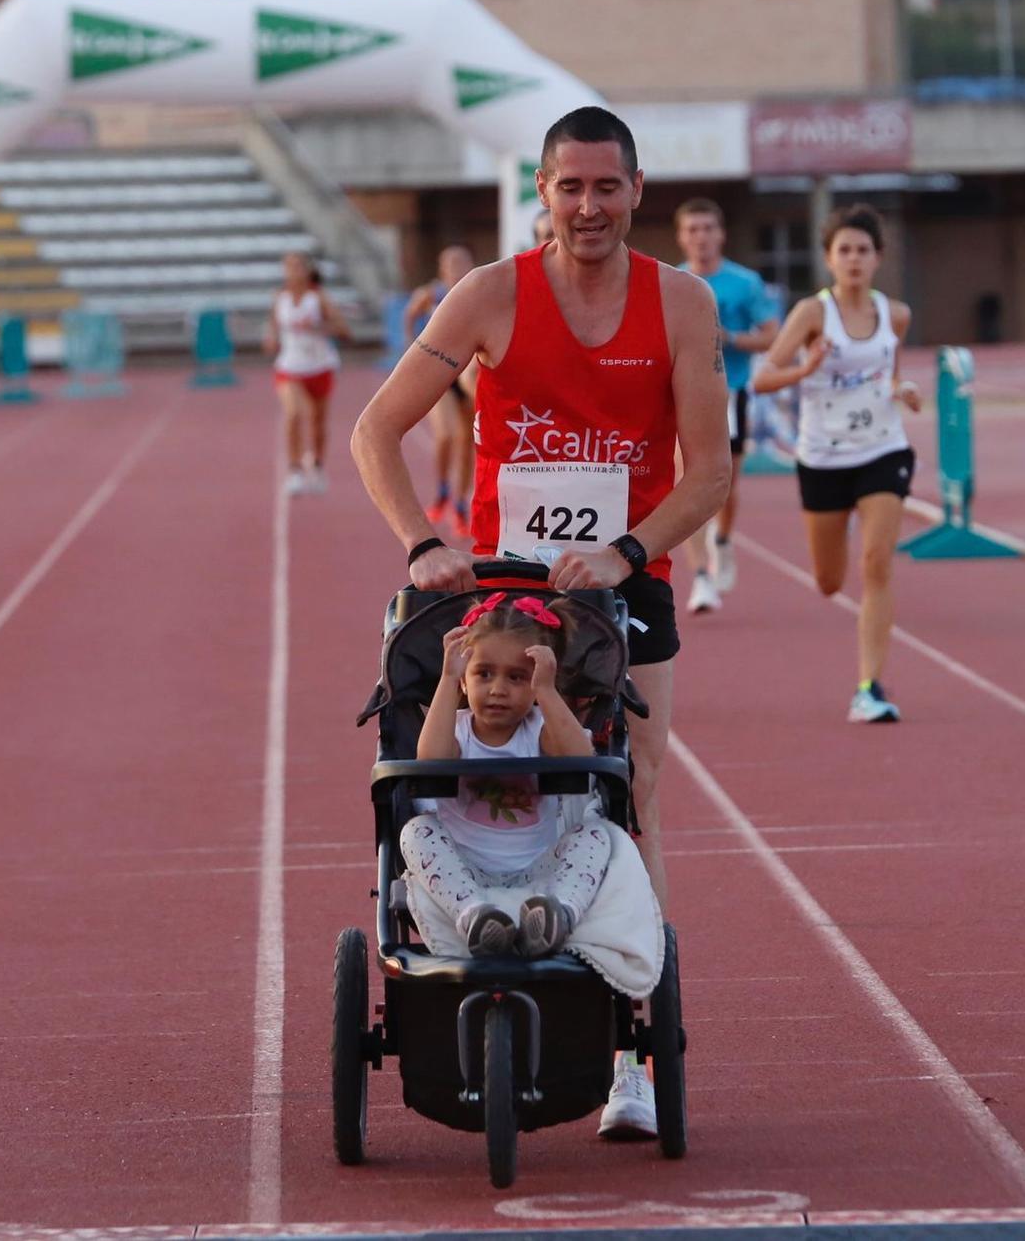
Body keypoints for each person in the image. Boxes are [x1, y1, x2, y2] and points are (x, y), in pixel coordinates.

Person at [352, 105, 728, 1141]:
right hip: (498, 592)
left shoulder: (681, 305)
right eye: (570, 187)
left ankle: (628, 1050)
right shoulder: (487, 296)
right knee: (457, 772)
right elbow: (374, 429)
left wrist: (627, 551)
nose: (589, 206)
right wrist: (420, 546)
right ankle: (460, 936)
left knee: (629, 789)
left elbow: (712, 473)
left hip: (623, 580)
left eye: (607, 187)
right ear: (543, 192)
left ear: (637, 191)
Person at [753, 205, 921, 723]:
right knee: (829, 580)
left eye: (863, 250)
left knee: (877, 563)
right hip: (823, 457)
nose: (853, 259)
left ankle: (869, 687)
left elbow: (890, 373)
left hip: (882, 448)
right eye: (844, 250)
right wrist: (808, 367)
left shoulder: (895, 314)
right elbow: (762, 379)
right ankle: (842, 540)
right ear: (828, 259)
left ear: (878, 259)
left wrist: (903, 389)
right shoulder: (811, 314)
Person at [402, 593, 607, 957]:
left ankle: (558, 913)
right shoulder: (457, 731)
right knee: (415, 832)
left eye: (517, 678)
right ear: (465, 682)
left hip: (539, 871)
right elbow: (429, 759)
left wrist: (546, 690)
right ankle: (475, 917)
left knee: (595, 835)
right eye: (483, 674)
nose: (498, 689)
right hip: (464, 869)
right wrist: (447, 680)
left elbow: (580, 757)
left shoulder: (540, 730)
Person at [673, 198, 780, 614]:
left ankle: (723, 538)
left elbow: (772, 336)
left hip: (731, 392)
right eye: (692, 229)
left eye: (707, 228)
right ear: (682, 237)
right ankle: (701, 577)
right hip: (683, 394)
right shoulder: (671, 281)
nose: (700, 237)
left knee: (726, 485)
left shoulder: (745, 283)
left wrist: (730, 338)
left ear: (721, 234)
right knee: (687, 482)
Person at [405, 245, 480, 536]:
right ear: (442, 268)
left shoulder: (479, 291)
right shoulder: (432, 294)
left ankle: (460, 504)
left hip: (469, 376)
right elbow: (410, 315)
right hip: (440, 376)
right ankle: (442, 489)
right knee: (446, 435)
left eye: (463, 261)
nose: (457, 266)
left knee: (467, 441)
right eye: (451, 262)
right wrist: (415, 347)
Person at [263, 252, 350, 497]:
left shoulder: (318, 297)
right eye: (289, 266)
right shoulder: (279, 298)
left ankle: (318, 464)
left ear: (308, 269)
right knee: (294, 412)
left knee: (318, 422)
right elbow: (271, 329)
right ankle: (294, 469)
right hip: (289, 367)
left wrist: (317, 326)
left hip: (320, 366)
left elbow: (344, 330)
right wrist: (270, 340)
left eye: (299, 266)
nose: (294, 271)